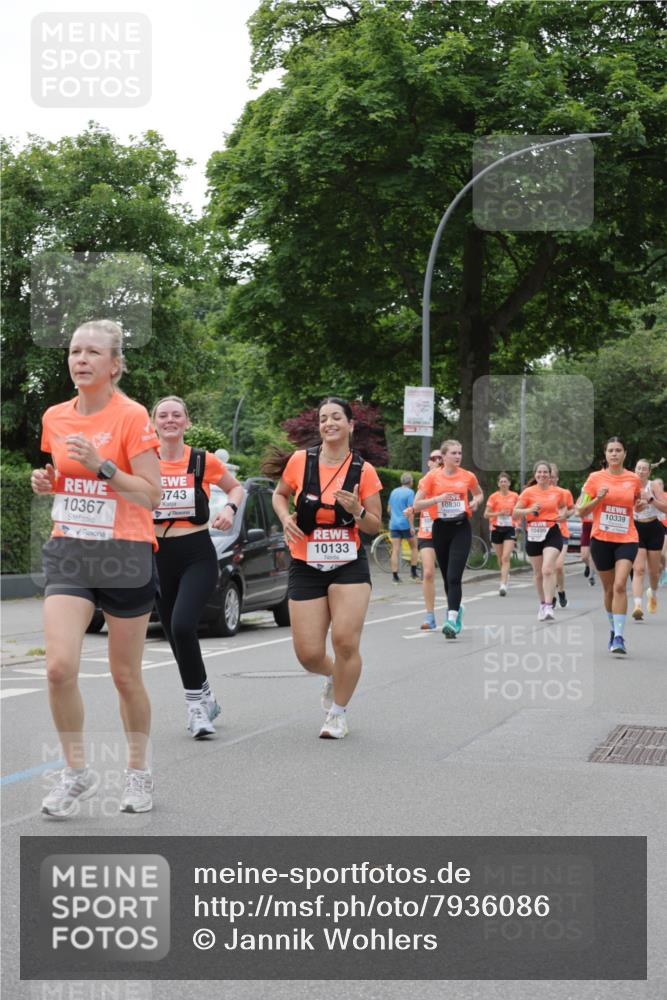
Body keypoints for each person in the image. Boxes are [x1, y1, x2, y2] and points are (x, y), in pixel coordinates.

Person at [31, 319, 162, 817]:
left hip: (125, 553)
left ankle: (138, 773)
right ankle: (76, 772)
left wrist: (105, 465)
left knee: (124, 676)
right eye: (74, 351)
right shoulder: (55, 417)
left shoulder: (131, 416)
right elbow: (67, 480)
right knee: (59, 666)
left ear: (114, 365)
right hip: (70, 550)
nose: (80, 359)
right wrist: (50, 483)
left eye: (91, 353)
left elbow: (151, 494)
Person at [268, 397, 383, 739]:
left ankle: (338, 714)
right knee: (308, 654)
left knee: (345, 640)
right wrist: (285, 516)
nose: (329, 423)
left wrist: (359, 511)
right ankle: (335, 675)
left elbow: (375, 525)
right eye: (323, 418)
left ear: (351, 425)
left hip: (348, 563)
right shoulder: (301, 461)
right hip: (306, 561)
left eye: (336, 417)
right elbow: (279, 495)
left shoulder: (364, 471)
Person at [152, 396, 245, 738]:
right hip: (158, 555)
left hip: (196, 553)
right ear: (155, 423)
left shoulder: (202, 461)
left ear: (187, 422)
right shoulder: (143, 461)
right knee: (177, 636)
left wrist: (229, 510)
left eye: (177, 414)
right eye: (163, 415)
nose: (170, 420)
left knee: (181, 626)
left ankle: (196, 708)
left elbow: (236, 489)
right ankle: (206, 697)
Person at [577, 437, 645, 655]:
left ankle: (619, 637)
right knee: (608, 590)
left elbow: (637, 504)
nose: (614, 454)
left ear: (625, 454)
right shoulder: (595, 478)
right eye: (610, 450)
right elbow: (581, 510)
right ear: (605, 455)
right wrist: (597, 499)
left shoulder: (633, 479)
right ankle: (612, 627)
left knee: (619, 585)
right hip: (601, 539)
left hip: (627, 538)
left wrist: (641, 505)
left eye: (618, 450)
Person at [413, 439, 483, 638]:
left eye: (460, 453)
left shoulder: (468, 476)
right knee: (446, 576)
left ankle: (451, 619)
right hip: (440, 528)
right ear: (443, 457)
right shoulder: (431, 477)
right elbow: (417, 504)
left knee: (454, 576)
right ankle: (456, 609)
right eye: (453, 453)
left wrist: (476, 501)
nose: (458, 456)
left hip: (461, 528)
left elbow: (479, 493)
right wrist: (436, 500)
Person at [515, 461, 569, 622]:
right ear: (535, 474)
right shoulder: (527, 493)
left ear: (550, 475)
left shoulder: (557, 492)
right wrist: (529, 510)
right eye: (539, 472)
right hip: (533, 533)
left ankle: (548, 606)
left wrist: (563, 514)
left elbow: (564, 507)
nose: (542, 475)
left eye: (545, 472)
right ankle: (542, 603)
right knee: (538, 573)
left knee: (547, 569)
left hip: (552, 532)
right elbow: (515, 513)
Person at [405, 450, 443, 630]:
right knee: (428, 572)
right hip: (427, 532)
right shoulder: (424, 482)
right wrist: (411, 512)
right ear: (428, 462)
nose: (437, 461)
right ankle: (430, 616)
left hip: (446, 531)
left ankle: (454, 609)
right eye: (433, 458)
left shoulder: (449, 480)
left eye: (440, 458)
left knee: (450, 575)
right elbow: (416, 505)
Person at [630, 458, 666, 620]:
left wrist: (651, 499)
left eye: (644, 469)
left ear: (649, 472)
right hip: (636, 528)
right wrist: (635, 507)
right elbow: (624, 506)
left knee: (653, 571)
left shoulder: (654, 486)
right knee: (638, 569)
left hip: (654, 528)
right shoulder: (629, 484)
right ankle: (637, 605)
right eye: (639, 468)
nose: (641, 471)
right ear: (635, 470)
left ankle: (652, 592)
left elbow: (665, 508)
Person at [483, 472, 519, 596]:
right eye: (501, 481)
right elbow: (486, 514)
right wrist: (498, 513)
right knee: (499, 558)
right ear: (498, 484)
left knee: (505, 557)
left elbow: (518, 512)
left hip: (509, 528)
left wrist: (516, 522)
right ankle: (505, 573)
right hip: (496, 528)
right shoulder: (493, 497)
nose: (503, 483)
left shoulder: (515, 496)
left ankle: (503, 584)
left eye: (505, 481)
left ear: (509, 483)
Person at [549, 464, 575, 608]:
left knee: (558, 566)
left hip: (562, 532)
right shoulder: (540, 493)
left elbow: (572, 510)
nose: (550, 480)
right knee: (549, 567)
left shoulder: (564, 493)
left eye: (553, 477)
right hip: (545, 534)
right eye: (548, 476)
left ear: (557, 478)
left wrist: (565, 514)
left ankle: (561, 591)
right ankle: (551, 596)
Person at [387, 472, 418, 583]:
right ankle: (413, 574)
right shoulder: (410, 492)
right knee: (414, 547)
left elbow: (389, 509)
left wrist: (394, 518)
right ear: (410, 482)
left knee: (395, 550)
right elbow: (410, 511)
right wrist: (412, 526)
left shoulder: (394, 491)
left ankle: (395, 577)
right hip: (405, 524)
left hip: (394, 524)